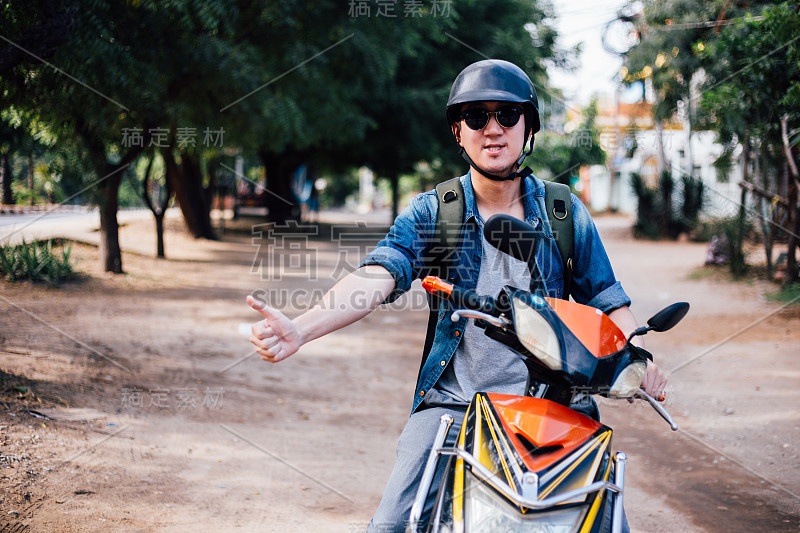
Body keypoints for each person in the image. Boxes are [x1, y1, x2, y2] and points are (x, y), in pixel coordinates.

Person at [248, 59, 667, 532]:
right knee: (391, 524)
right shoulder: (435, 212)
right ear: (457, 131)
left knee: (606, 520)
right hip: (455, 403)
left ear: (528, 127)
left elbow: (608, 300)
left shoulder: (563, 213)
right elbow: (380, 273)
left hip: (554, 402)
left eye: (507, 116)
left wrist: (637, 355)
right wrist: (300, 329)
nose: (493, 129)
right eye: (476, 117)